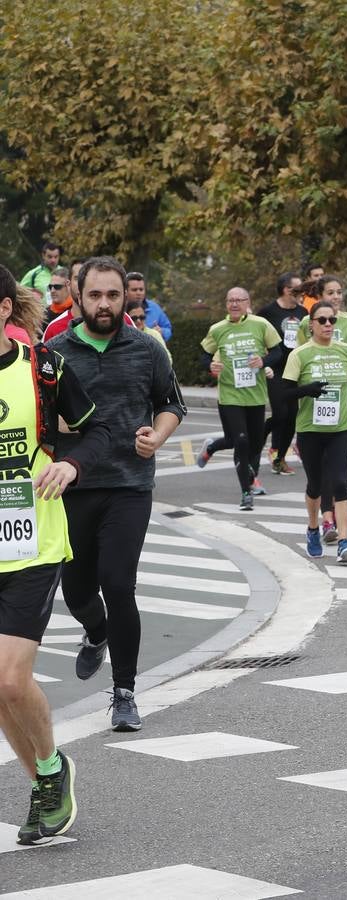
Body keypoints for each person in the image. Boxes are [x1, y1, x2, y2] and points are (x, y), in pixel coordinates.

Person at [46, 257, 186, 731]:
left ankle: (125, 692)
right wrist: (56, 423)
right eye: (94, 296)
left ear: (127, 295)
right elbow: (39, 412)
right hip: (73, 485)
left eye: (113, 295)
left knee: (119, 584)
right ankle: (95, 629)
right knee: (77, 587)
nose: (104, 305)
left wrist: (159, 437)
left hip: (129, 483)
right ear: (78, 297)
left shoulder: (147, 349)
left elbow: (171, 403)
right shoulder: (55, 351)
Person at [0, 267, 111, 845]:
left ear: (2, 311)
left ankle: (50, 769)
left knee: (12, 680)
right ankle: (46, 779)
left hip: (33, 539)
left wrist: (70, 463)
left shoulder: (42, 367)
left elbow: (97, 431)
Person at [281, 298, 347, 563]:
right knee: (315, 485)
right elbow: (284, 394)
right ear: (311, 324)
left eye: (332, 320)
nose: (328, 325)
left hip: (340, 427)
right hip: (310, 429)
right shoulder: (300, 354)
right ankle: (314, 528)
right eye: (323, 320)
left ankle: (344, 540)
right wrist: (308, 390)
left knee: (340, 482)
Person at [296, 275, 347, 541]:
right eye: (331, 292)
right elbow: (298, 362)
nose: (337, 297)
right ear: (319, 296)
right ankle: (323, 521)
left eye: (340, 292)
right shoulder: (307, 324)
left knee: (337, 471)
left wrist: (346, 354)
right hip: (314, 405)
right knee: (319, 475)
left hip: (342, 399)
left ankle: (335, 527)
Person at [195, 288, 281, 510]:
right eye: (230, 301)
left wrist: (264, 361)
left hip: (255, 395)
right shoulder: (218, 329)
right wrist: (210, 365)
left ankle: (212, 446)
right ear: (226, 304)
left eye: (239, 300)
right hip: (230, 395)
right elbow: (203, 355)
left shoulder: (261, 324)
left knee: (251, 443)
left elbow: (278, 352)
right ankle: (246, 492)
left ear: (247, 302)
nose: (234, 304)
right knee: (241, 441)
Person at [257, 272, 305, 474]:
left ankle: (280, 458)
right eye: (298, 289)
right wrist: (264, 361)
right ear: (286, 289)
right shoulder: (268, 312)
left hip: (297, 371)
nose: (302, 293)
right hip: (276, 370)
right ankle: (258, 439)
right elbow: (256, 336)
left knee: (293, 416)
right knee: (280, 414)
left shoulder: (303, 312)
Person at [126, 272, 171, 341]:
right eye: (134, 290)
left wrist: (162, 332)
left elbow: (168, 329)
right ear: (125, 291)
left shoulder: (154, 308)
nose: (139, 293)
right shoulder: (119, 309)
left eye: (141, 289)